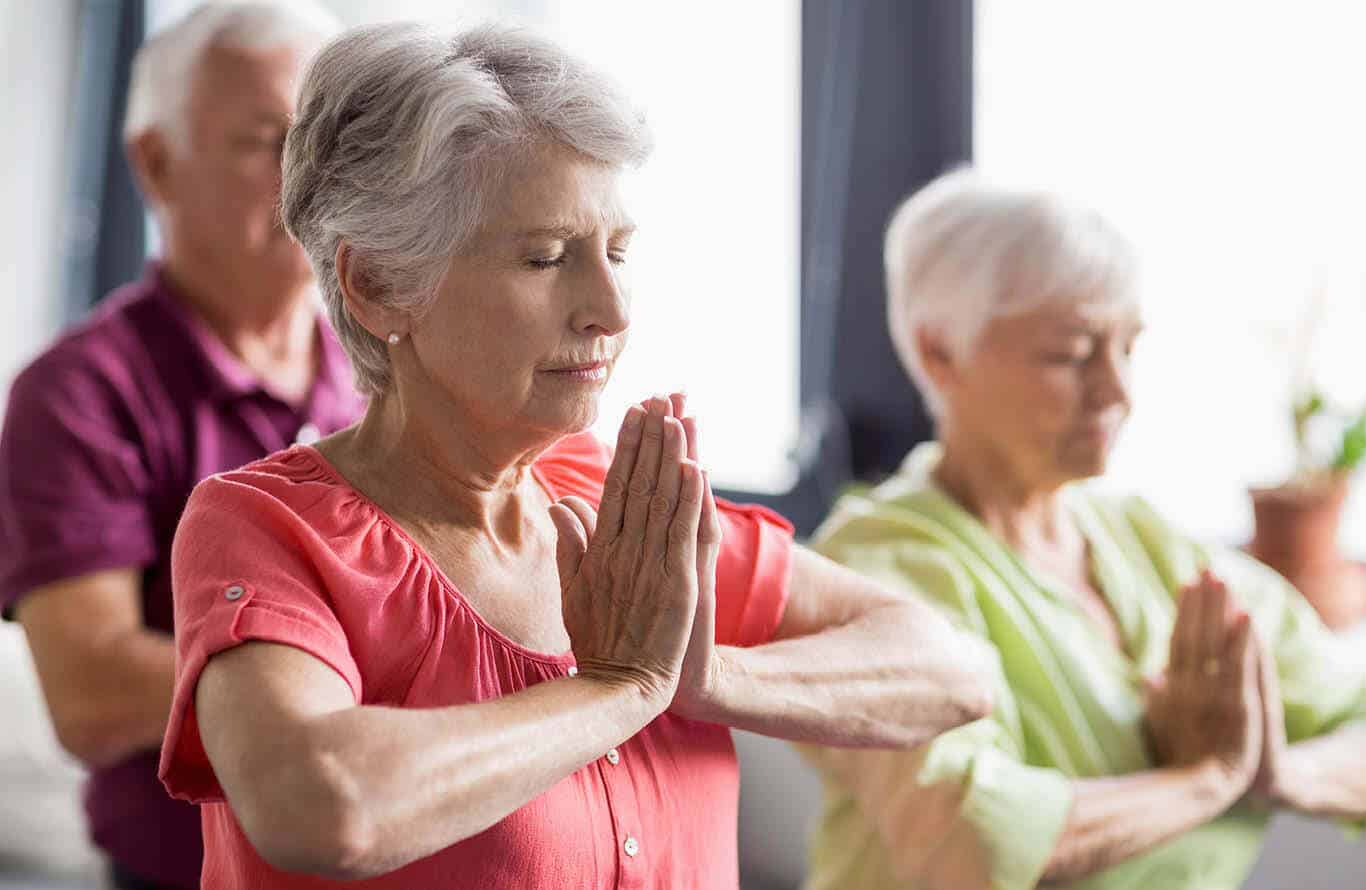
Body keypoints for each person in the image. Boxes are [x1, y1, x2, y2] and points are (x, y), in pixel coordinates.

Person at [155, 22, 995, 889]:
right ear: (378, 285)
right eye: (546, 257)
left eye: (619, 252)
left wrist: (703, 679)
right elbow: (319, 804)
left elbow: (952, 669)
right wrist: (617, 689)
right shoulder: (265, 528)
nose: (610, 308)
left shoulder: (609, 489)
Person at [799, 169, 1366, 890]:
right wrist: (1206, 778)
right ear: (941, 352)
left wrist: (1273, 769)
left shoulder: (1146, 544)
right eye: (1071, 354)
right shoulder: (877, 565)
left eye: (1128, 347)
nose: (1118, 392)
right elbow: (965, 841)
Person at [0, 4, 356, 888]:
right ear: (155, 163)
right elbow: (89, 693)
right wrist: (369, 676)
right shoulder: (79, 392)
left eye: (327, 143)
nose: (308, 179)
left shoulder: (389, 363)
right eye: (269, 140)